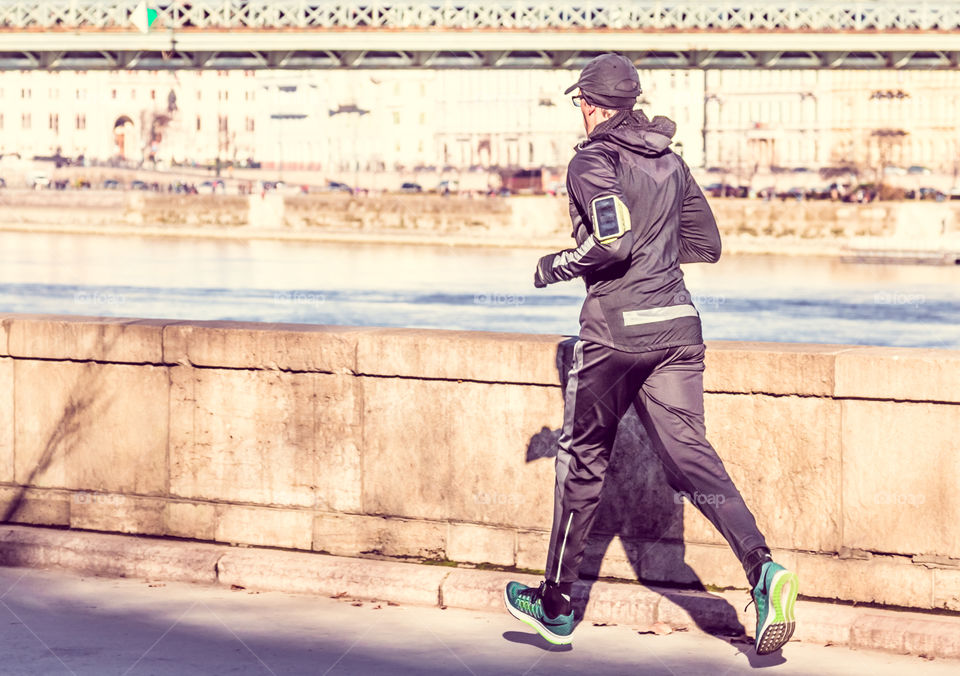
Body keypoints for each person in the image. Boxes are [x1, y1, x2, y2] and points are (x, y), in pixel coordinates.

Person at [503, 53, 798, 655]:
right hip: (678, 330)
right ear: (631, 103)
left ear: (588, 106)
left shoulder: (592, 160)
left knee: (583, 461)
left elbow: (610, 241)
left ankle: (556, 604)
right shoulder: (671, 160)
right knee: (694, 461)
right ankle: (763, 568)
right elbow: (706, 245)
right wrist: (656, 263)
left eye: (579, 105)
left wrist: (555, 266)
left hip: (614, 335)